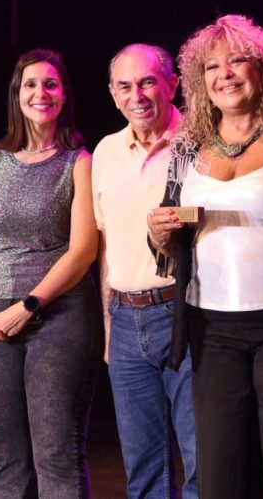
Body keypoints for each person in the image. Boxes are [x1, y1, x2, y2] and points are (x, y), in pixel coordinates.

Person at [147, 15, 263, 499]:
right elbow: (167, 237)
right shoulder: (187, 147)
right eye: (211, 66)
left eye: (236, 61)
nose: (223, 73)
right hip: (211, 329)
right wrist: (160, 232)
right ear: (198, 81)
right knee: (221, 472)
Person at [0, 48, 101, 499]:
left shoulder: (79, 162)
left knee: (56, 454)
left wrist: (31, 304)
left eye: (51, 84)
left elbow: (83, 250)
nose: (41, 92)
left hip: (58, 316)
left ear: (64, 96)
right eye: (31, 84)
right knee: (7, 458)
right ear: (16, 95)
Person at [91, 44, 198, 498]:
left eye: (148, 81)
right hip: (127, 320)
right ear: (113, 95)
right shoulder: (105, 152)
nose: (137, 94)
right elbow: (105, 247)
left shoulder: (199, 139)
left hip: (186, 314)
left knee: (203, 463)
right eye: (125, 85)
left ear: (172, 84)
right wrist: (107, 324)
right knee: (145, 471)